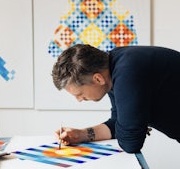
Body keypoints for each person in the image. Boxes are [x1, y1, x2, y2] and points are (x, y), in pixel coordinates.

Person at [52, 44, 180, 153]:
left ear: (98, 79)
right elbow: (119, 123)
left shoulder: (128, 71)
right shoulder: (114, 68)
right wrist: (80, 135)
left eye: (79, 94)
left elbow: (130, 143)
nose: (79, 100)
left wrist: (132, 126)